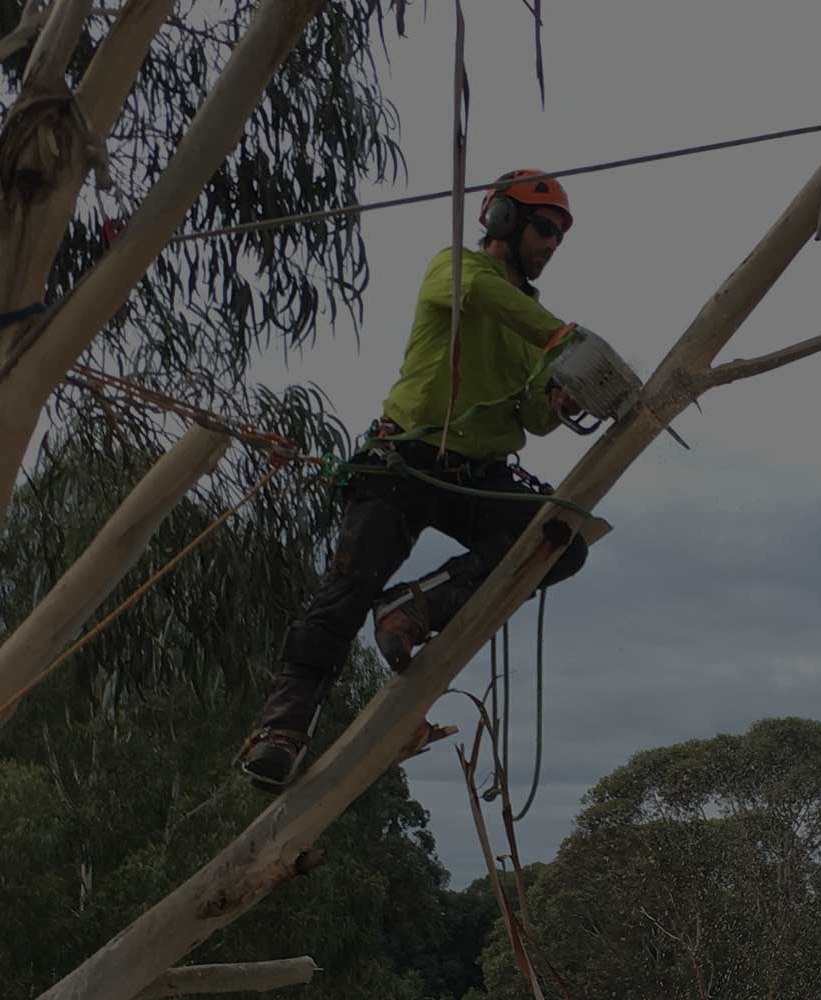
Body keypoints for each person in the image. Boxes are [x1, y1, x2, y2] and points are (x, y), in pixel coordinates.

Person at [239, 169, 593, 791]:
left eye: (561, 235)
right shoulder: (455, 271)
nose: (552, 244)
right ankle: (281, 733)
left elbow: (532, 416)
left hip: (474, 475)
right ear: (502, 220)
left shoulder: (537, 325)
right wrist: (563, 340)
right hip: (402, 461)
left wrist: (560, 398)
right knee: (343, 596)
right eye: (544, 228)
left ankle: (418, 604)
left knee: (560, 541)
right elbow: (485, 300)